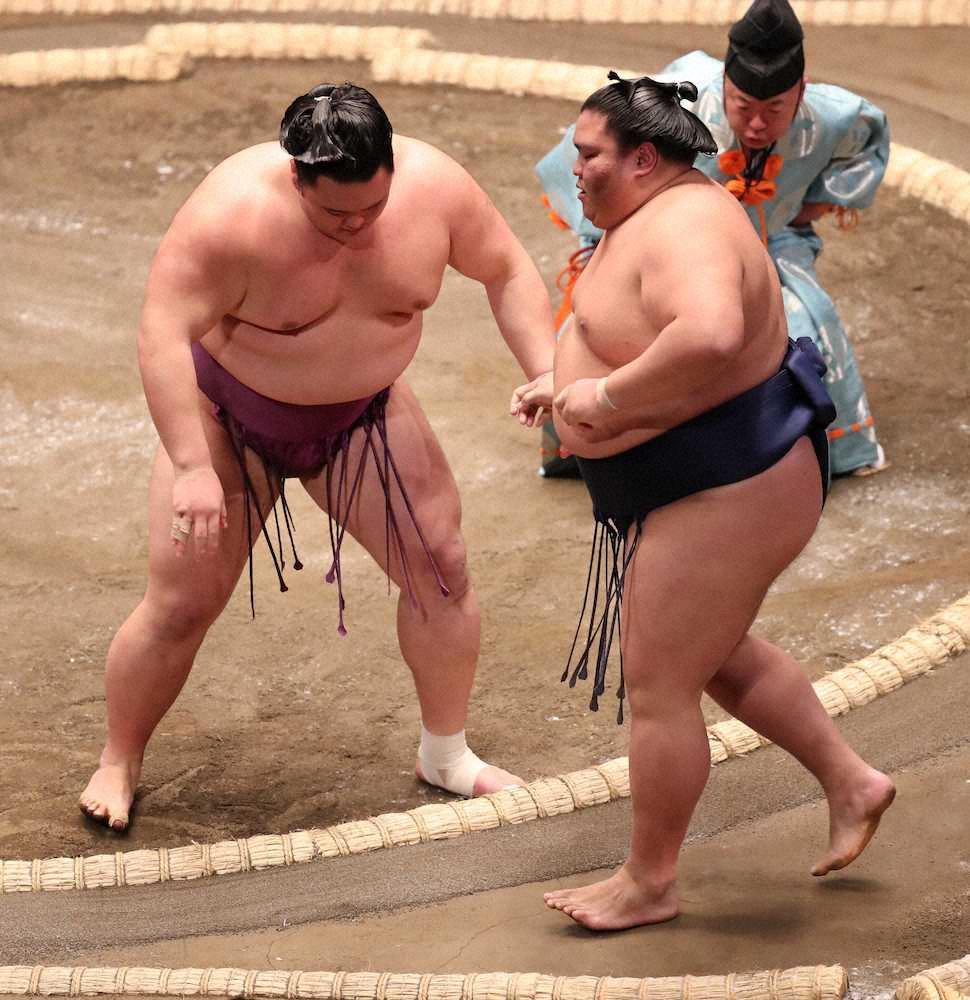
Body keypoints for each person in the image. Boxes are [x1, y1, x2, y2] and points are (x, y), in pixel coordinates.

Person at [79, 82, 556, 832]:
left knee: (443, 566)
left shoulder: (435, 191)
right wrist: (192, 466)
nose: (356, 225)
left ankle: (446, 753)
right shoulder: (229, 217)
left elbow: (506, 269)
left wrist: (547, 367)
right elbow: (160, 333)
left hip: (363, 413)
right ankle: (119, 758)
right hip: (226, 420)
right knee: (179, 605)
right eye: (335, 213)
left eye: (371, 206)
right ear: (295, 174)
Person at [542, 71, 895, 932]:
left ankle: (649, 883)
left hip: (735, 482)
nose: (571, 168)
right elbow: (648, 332)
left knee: (659, 683)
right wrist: (558, 381)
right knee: (715, 651)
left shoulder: (687, 226)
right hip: (707, 475)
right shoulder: (658, 212)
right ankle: (853, 783)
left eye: (588, 155)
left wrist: (607, 397)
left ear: (643, 159)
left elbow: (708, 334)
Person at [536, 0, 889, 479]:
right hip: (657, 243)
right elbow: (598, 150)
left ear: (800, 92)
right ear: (725, 83)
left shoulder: (832, 116)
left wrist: (803, 208)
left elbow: (868, 145)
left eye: (774, 110)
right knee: (598, 323)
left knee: (811, 319)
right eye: (744, 106)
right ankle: (577, 443)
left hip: (771, 239)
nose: (757, 124)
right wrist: (603, 240)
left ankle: (811, 455)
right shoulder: (678, 98)